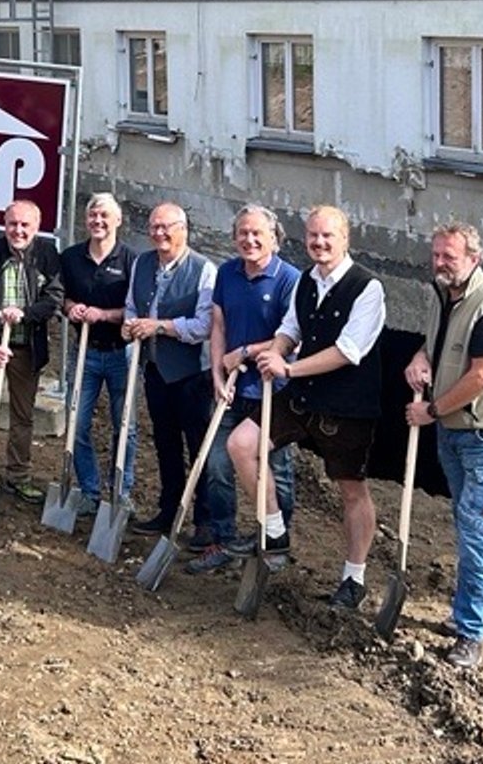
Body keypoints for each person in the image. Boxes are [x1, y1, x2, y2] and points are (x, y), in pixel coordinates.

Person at [232, 205, 387, 610]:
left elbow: (347, 351)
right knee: (242, 444)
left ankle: (354, 578)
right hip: (302, 396)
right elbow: (291, 328)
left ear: (345, 239)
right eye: (313, 236)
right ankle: (274, 529)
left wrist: (289, 366)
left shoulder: (367, 288)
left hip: (346, 405)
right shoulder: (306, 280)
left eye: (327, 237)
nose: (318, 243)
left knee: (351, 489)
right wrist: (276, 351)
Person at [405, 222, 483, 669]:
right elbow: (435, 344)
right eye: (436, 255)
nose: (439, 264)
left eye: (448, 257)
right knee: (476, 524)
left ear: (473, 258)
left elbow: (481, 377)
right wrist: (420, 359)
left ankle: (469, 632)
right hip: (454, 431)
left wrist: (431, 411)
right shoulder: (443, 294)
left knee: (475, 527)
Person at [190, 203, 301, 574]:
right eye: (243, 233)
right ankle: (224, 539)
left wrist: (248, 352)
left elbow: (291, 337)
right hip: (232, 389)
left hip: (274, 390)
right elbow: (218, 327)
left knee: (276, 470)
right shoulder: (227, 274)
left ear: (274, 238)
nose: (249, 240)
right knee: (218, 465)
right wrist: (218, 377)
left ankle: (274, 544)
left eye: (258, 234)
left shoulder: (289, 279)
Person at [121, 202, 214, 538]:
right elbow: (132, 305)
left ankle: (205, 521)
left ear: (183, 229)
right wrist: (130, 326)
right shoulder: (143, 263)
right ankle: (168, 509)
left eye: (166, 227)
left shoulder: (203, 270)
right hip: (156, 370)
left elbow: (204, 325)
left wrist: (159, 327)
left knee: (198, 445)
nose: (159, 234)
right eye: (154, 227)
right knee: (165, 442)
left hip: (192, 375)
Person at [0, 199, 64, 504]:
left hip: (27, 347)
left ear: (36, 227)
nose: (18, 230)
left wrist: (26, 313)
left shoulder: (46, 255)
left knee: (23, 413)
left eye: (25, 225)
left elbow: (54, 297)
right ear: (4, 225)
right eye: (12, 224)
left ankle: (18, 474)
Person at [58, 193, 137, 516]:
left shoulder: (132, 261)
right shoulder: (72, 258)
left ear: (118, 220)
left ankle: (122, 491)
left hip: (122, 354)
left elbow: (136, 310)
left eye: (105, 216)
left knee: (125, 427)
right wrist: (71, 308)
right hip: (85, 354)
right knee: (76, 424)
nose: (98, 222)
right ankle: (89, 491)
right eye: (93, 216)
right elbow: (59, 297)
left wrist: (102, 315)